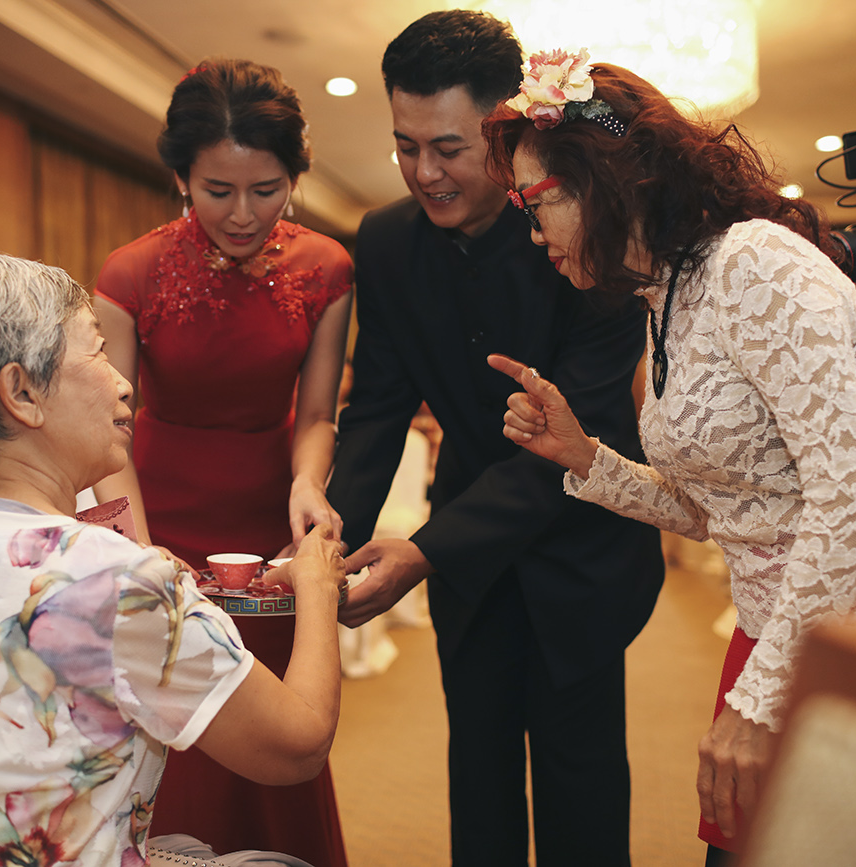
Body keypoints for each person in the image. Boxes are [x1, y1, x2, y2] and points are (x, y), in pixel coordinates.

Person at [484, 54, 856, 864]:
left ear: (603, 179)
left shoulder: (755, 264)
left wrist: (759, 700)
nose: (534, 235)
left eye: (535, 204)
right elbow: (731, 514)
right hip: (790, 626)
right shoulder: (664, 297)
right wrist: (587, 456)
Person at [0, 252, 346, 867]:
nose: (125, 382)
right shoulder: (119, 577)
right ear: (21, 392)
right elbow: (296, 749)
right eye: (97, 353)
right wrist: (316, 587)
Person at [324, 13, 664, 866]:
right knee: (476, 778)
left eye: (448, 147)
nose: (423, 172)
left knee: (581, 785)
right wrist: (330, 541)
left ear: (504, 126)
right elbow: (377, 410)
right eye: (406, 146)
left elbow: (579, 437)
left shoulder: (585, 227)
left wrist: (423, 551)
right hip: (470, 566)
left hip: (581, 545)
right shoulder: (387, 240)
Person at [90, 58, 353, 865]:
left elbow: (315, 413)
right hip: (151, 505)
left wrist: (309, 482)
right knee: (165, 711)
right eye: (218, 190)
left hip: (264, 516)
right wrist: (136, 545)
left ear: (294, 175)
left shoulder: (326, 268)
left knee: (268, 720)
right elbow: (108, 430)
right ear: (181, 176)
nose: (243, 214)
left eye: (266, 189)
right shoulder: (129, 272)